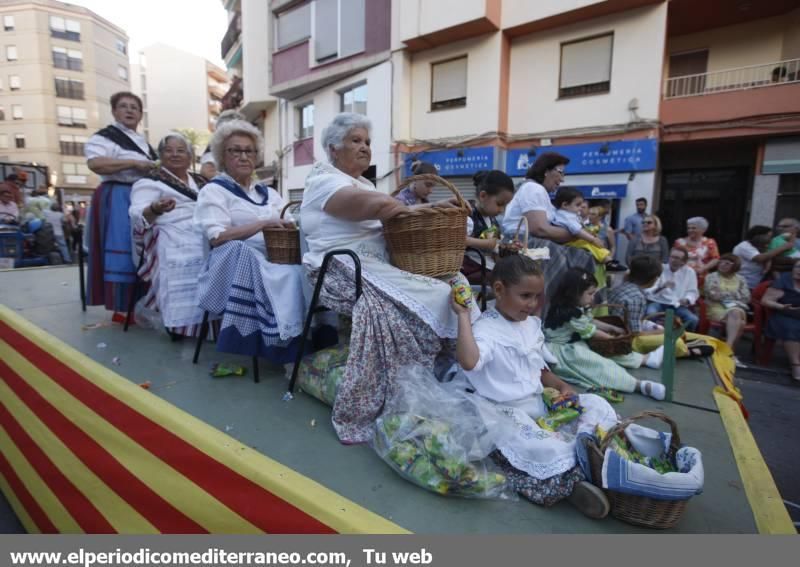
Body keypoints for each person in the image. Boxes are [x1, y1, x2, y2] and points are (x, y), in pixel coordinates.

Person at [300, 112, 479, 444]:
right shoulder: (323, 180)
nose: (365, 148)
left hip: (376, 263)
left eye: (367, 142)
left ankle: (451, 368)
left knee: (454, 283)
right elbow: (368, 206)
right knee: (435, 296)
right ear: (333, 148)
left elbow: (384, 207)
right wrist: (409, 210)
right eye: (356, 140)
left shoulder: (365, 182)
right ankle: (411, 384)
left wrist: (421, 213)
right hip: (339, 268)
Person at [452, 255, 617, 517]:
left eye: (537, 296)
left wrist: (562, 386)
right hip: (503, 411)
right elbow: (470, 361)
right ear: (499, 290)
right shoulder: (486, 330)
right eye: (525, 296)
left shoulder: (530, 325)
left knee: (597, 404)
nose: (532, 304)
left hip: (537, 402)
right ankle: (570, 482)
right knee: (542, 447)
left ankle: (588, 459)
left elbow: (537, 369)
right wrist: (463, 315)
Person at [194, 120, 303, 361]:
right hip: (232, 265)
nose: (244, 156)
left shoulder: (268, 193)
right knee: (246, 254)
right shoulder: (214, 191)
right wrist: (263, 224)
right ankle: (267, 343)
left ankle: (298, 340)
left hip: (273, 259)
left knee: (302, 268)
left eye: (249, 151)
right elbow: (218, 238)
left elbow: (290, 219)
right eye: (236, 150)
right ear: (223, 155)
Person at [85, 91, 157, 318]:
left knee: (144, 247)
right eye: (124, 106)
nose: (129, 110)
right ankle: (120, 308)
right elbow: (96, 164)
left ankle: (142, 303)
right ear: (114, 111)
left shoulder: (143, 142)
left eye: (134, 107)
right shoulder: (104, 137)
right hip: (117, 196)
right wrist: (133, 163)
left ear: (140, 114)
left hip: (142, 195)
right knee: (123, 247)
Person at [544, 268, 667, 398]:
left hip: (575, 342)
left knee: (609, 351)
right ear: (574, 293)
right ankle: (638, 385)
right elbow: (591, 331)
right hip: (563, 351)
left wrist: (610, 328)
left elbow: (590, 321)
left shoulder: (576, 307)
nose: (593, 298)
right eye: (590, 294)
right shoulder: (569, 313)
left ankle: (645, 359)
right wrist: (610, 338)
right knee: (597, 365)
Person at [129, 132, 207, 337]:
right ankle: (179, 324)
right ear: (160, 156)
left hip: (202, 229)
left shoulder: (202, 182)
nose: (175, 154)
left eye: (181, 150)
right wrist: (156, 208)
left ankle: (212, 322)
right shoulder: (150, 181)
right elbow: (138, 212)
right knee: (180, 249)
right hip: (167, 228)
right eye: (168, 150)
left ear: (190, 157)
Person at [500, 152, 595, 311]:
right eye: (560, 172)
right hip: (522, 243)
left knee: (584, 255)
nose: (562, 179)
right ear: (546, 171)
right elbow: (539, 229)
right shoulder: (533, 188)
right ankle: (549, 311)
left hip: (534, 242)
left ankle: (575, 309)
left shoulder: (540, 192)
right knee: (556, 255)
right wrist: (574, 235)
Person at [551, 187, 626, 271]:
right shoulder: (566, 216)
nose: (580, 207)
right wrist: (593, 239)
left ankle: (608, 261)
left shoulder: (565, 214)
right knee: (589, 245)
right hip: (569, 243)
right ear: (565, 205)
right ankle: (608, 261)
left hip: (568, 242)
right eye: (577, 205)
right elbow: (577, 230)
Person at [462, 170, 515, 282]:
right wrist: (488, 244)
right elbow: (459, 240)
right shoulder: (468, 215)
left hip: (486, 266)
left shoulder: (492, 220)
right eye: (499, 204)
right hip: (470, 269)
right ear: (483, 196)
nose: (502, 210)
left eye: (505, 206)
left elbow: (494, 248)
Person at [703, 253, 751, 368]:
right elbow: (713, 294)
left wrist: (723, 294)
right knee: (740, 321)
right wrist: (735, 294)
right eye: (721, 261)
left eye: (727, 263)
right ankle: (729, 352)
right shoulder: (711, 276)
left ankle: (726, 350)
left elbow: (747, 297)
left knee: (735, 312)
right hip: (716, 307)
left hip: (735, 307)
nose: (722, 264)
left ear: (735, 266)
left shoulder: (741, 279)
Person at [761, 258, 800, 382]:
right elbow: (765, 301)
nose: (798, 270)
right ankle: (795, 364)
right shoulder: (784, 281)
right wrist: (781, 306)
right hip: (783, 315)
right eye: (797, 267)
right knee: (791, 328)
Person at [645, 247, 699, 331]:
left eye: (677, 258)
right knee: (650, 313)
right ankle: (654, 336)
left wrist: (687, 299)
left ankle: (683, 339)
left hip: (676, 305)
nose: (673, 260)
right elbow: (648, 289)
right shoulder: (660, 268)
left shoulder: (689, 272)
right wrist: (662, 287)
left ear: (683, 261)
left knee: (692, 319)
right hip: (658, 302)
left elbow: (692, 291)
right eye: (672, 257)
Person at [674, 216, 720, 286]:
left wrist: (703, 268)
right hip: (681, 276)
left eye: (693, 228)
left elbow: (716, 259)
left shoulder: (710, 242)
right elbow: (673, 257)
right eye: (688, 228)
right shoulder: (679, 242)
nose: (690, 230)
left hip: (700, 278)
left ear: (703, 230)